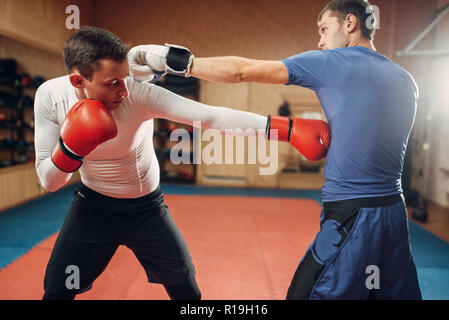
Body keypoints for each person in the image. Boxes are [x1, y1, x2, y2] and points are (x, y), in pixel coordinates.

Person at [128, 0, 422, 300]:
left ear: (350, 24)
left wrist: (174, 60)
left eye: (324, 29)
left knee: (304, 293)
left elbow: (241, 71)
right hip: (395, 217)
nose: (320, 41)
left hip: (352, 217)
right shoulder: (406, 80)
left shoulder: (334, 62)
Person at [35, 26, 330, 300]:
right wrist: (70, 147)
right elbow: (50, 181)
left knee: (186, 288)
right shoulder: (50, 97)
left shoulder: (136, 94)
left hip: (145, 209)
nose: (123, 91)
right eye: (112, 84)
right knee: (57, 288)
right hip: (93, 206)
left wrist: (287, 129)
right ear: (77, 81)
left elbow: (210, 117)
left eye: (124, 79)